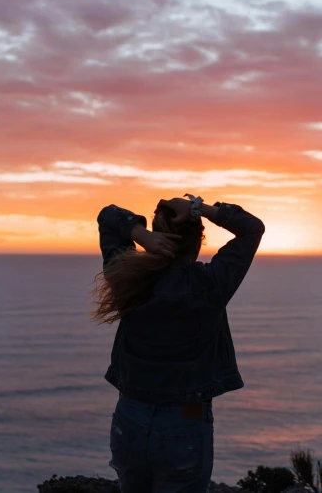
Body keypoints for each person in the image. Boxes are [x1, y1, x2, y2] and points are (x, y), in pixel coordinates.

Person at [92, 194, 265, 493]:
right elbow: (252, 228)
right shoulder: (210, 285)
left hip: (129, 418)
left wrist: (141, 234)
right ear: (198, 241)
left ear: (157, 238)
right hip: (185, 423)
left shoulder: (129, 278)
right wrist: (201, 208)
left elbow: (108, 217)